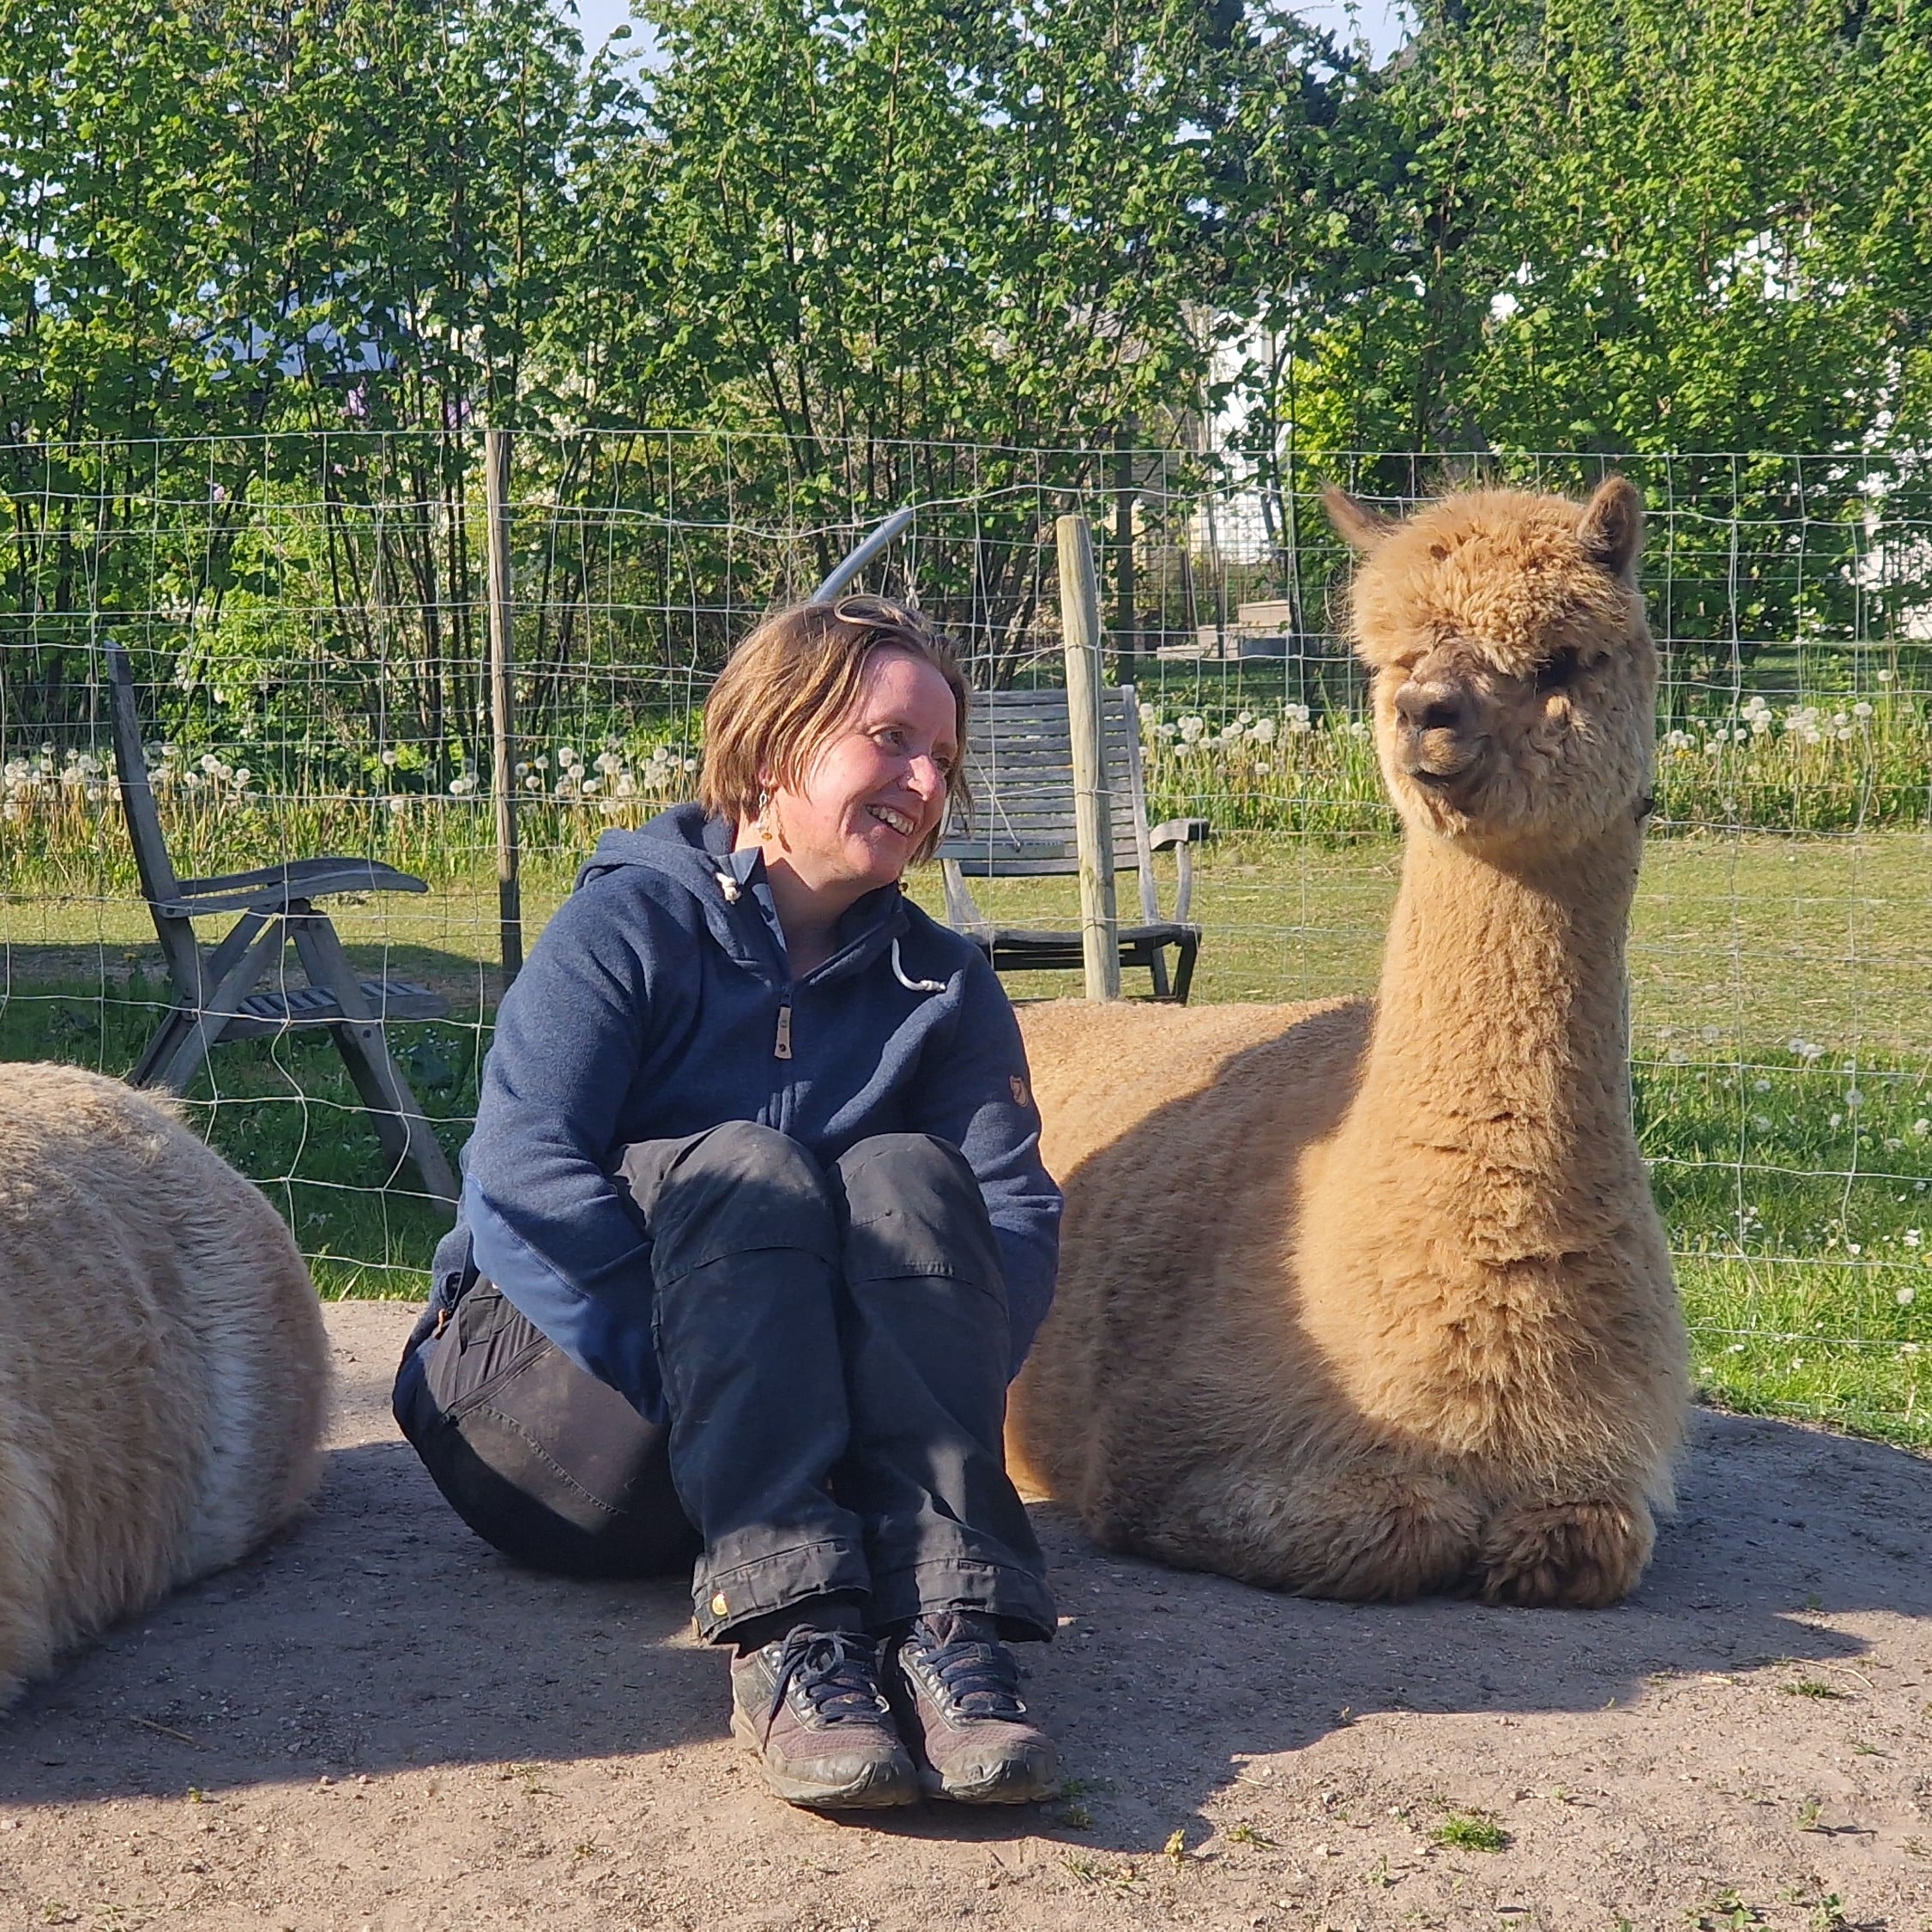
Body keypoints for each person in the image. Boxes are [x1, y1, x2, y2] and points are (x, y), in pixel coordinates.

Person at [392, 595, 1063, 1812]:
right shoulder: (627, 923)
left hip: (812, 1455)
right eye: (890, 740)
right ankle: (794, 1637)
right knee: (749, 1168)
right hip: (563, 1426)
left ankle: (946, 1627)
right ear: (771, 746)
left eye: (941, 756)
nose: (924, 782)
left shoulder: (944, 984)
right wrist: (725, 1382)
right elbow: (521, 1174)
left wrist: (872, 1407)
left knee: (911, 1178)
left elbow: (1012, 1219)